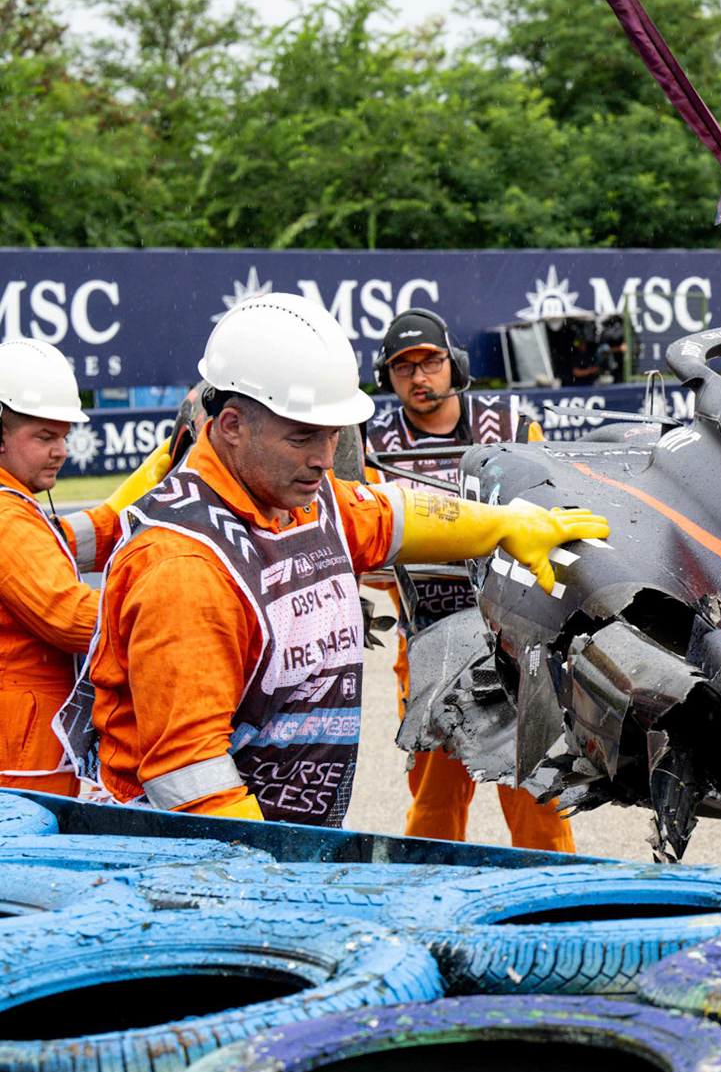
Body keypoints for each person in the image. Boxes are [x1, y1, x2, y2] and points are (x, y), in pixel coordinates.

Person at [53, 295, 608, 825]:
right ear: (232, 426)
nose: (324, 459)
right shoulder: (184, 568)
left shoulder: (298, 496)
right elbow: (190, 778)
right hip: (204, 863)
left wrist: (505, 526)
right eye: (303, 438)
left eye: (333, 436)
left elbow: (393, 514)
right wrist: (276, 870)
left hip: (277, 843)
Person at [363, 308, 574, 851]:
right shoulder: (371, 445)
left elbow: (552, 511)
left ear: (454, 364)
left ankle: (559, 891)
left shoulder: (512, 424)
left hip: (519, 640)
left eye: (430, 361)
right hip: (430, 642)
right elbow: (366, 551)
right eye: (403, 367)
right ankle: (428, 895)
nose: (418, 377)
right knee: (435, 804)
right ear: (387, 377)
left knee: (538, 798)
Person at [0, 340, 169, 794]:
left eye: (63, 436)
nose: (61, 451)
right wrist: (171, 609)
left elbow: (60, 542)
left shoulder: (15, 507)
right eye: (45, 437)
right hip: (23, 763)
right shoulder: (6, 519)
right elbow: (71, 617)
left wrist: (146, 494)